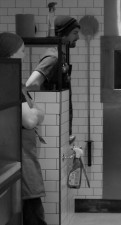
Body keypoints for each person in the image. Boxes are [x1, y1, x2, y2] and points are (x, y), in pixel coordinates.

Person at [0, 32, 46, 225]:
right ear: (11, 55)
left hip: (14, 160)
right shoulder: (8, 81)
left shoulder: (9, 81)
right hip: (18, 160)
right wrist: (37, 111)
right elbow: (29, 120)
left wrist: (36, 112)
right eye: (22, 51)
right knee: (32, 215)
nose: (24, 56)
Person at [26, 15, 80, 144]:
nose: (78, 37)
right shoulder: (53, 58)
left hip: (61, 125)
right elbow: (31, 84)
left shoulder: (61, 56)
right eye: (75, 33)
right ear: (63, 35)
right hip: (53, 126)